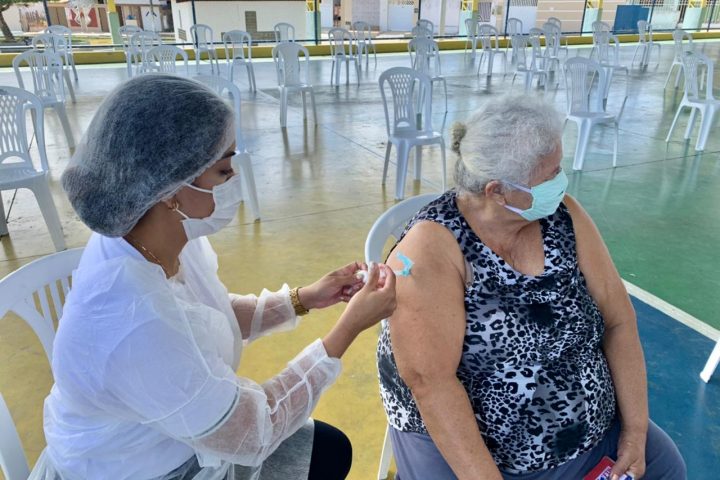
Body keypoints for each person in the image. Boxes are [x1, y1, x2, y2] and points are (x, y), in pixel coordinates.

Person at [29, 74, 396, 480]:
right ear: (169, 189)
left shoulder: (155, 237)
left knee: (330, 450)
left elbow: (204, 314)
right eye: (223, 170)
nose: (234, 179)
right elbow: (254, 432)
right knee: (325, 453)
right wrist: (348, 328)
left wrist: (304, 298)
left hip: (171, 432)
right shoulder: (132, 320)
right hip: (135, 469)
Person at [376, 95, 686, 480]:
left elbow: (619, 320)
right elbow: (431, 384)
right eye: (550, 175)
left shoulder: (564, 215)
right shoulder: (431, 249)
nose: (561, 182)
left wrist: (635, 432)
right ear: (497, 191)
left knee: (664, 468)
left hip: (588, 424)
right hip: (476, 447)